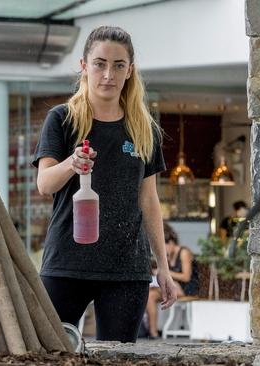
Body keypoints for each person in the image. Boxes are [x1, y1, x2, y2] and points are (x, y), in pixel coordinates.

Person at [32, 25, 177, 343]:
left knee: (119, 359)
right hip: (66, 263)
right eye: (100, 63)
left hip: (127, 270)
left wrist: (163, 268)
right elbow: (44, 184)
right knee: (54, 354)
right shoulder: (62, 119)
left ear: (130, 71)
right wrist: (72, 163)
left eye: (118, 65)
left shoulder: (143, 129)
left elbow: (149, 200)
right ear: (84, 66)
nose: (108, 74)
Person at [145, 223, 199, 339]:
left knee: (162, 286)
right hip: (174, 286)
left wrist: (165, 273)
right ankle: (152, 331)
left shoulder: (184, 252)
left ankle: (153, 330)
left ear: (171, 243)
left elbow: (186, 277)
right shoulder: (169, 256)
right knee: (150, 295)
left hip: (187, 287)